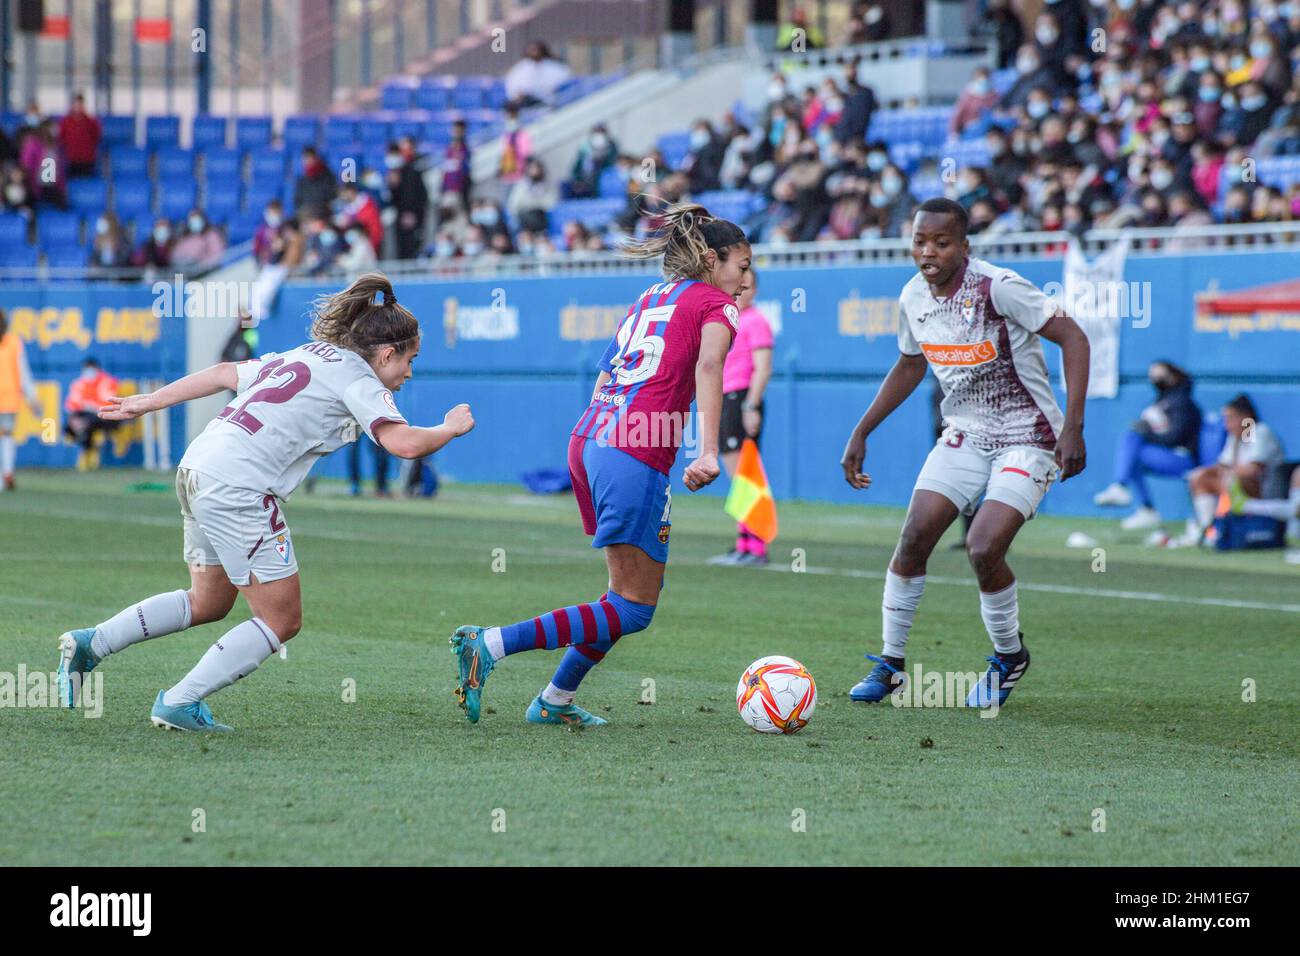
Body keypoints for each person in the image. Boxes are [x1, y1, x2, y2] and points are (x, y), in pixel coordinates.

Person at [55, 272, 476, 732]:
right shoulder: (359, 377)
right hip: (238, 486)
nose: (409, 372)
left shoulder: (306, 354)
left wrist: (150, 401)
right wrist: (450, 427)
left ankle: (90, 644)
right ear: (387, 353)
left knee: (208, 601)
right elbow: (406, 445)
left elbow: (221, 374)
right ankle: (179, 701)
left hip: (198, 466)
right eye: (409, 360)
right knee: (283, 618)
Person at [448, 204, 749, 727]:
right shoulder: (715, 303)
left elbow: (609, 369)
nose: (746, 280)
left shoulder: (650, 298)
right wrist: (706, 449)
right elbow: (708, 365)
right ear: (709, 258)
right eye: (741, 266)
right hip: (634, 450)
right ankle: (490, 645)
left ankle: (554, 700)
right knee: (633, 607)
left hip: (592, 437)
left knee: (624, 595)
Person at [840, 198, 1090, 709]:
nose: (928, 251)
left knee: (982, 547)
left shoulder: (997, 286)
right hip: (966, 434)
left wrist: (1074, 428)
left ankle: (1009, 656)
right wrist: (862, 430)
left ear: (964, 246)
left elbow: (1074, 337)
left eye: (941, 241)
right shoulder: (913, 296)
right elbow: (910, 366)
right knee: (913, 537)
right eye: (919, 241)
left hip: (1028, 434)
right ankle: (890, 665)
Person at [709, 270, 774, 567]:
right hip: (727, 399)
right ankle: (744, 543)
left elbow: (762, 368)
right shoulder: (729, 320)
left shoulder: (756, 321)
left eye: (747, 287)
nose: (742, 292)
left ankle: (756, 546)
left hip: (741, 398)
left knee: (746, 476)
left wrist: (751, 405)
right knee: (740, 477)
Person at [1094, 360, 1203, 530]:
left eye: (1159, 374)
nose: (1154, 379)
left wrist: (1147, 433)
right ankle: (1143, 506)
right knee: (1131, 445)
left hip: (1183, 458)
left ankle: (1124, 489)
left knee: (1133, 445)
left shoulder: (1183, 403)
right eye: (1151, 375)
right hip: (1164, 454)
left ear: (1172, 376)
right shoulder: (1160, 401)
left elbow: (1175, 438)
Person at [1176, 394, 1287, 547]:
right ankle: (1209, 529)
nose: (1227, 425)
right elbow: (1222, 465)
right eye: (1226, 419)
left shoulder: (1260, 432)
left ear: (1246, 417)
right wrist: (1201, 473)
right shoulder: (1235, 437)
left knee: (1234, 480)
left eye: (1231, 418)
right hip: (1237, 487)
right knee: (1200, 478)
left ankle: (1223, 526)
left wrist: (1227, 473)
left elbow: (1253, 470)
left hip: (1265, 492)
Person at [0, 308, 41, 491]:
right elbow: (23, 373)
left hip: (8, 397)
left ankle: (5, 475)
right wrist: (32, 397)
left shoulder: (14, 342)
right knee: (6, 435)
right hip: (9, 397)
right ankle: (7, 471)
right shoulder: (14, 342)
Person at [63, 357, 119, 471]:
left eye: (91, 368)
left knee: (88, 422)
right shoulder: (79, 383)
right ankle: (88, 449)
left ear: (97, 369)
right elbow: (71, 404)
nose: (88, 371)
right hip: (84, 417)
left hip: (107, 417)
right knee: (69, 426)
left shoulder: (107, 381)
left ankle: (88, 452)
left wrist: (91, 406)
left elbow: (108, 404)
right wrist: (75, 417)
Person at [58, 92, 102, 178]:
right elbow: (61, 139)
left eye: (80, 105)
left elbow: (97, 136)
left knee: (86, 184)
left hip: (87, 160)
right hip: (70, 160)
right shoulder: (65, 122)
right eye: (76, 105)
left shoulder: (91, 122)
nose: (78, 107)